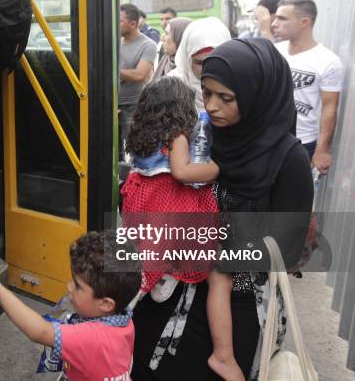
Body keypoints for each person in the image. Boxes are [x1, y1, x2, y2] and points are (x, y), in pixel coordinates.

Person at [131, 38, 313, 380]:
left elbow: (287, 252)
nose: (212, 107)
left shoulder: (290, 161)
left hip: (236, 302)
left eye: (226, 98)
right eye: (207, 92)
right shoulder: (207, 135)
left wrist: (220, 250)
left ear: (258, 96)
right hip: (173, 283)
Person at [0, 231, 142, 381]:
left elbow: (40, 331)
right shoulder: (126, 322)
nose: (69, 287)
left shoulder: (91, 339)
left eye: (77, 286)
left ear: (106, 304)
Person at [272, 0, 344, 174]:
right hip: (269, 138)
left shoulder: (328, 61)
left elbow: (329, 108)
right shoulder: (275, 51)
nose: (274, 23)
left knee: (295, 199)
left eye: (282, 18)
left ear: (304, 22)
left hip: (302, 143)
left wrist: (322, 150)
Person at [119, 3, 158, 161]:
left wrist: (113, 73)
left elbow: (139, 75)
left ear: (133, 24)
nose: (115, 25)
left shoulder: (148, 45)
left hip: (132, 105)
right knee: (112, 152)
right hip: (111, 104)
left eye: (120, 21)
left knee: (136, 149)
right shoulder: (114, 41)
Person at [168, 17, 231, 112]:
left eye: (214, 61)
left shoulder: (237, 85)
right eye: (199, 63)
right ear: (187, 61)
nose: (207, 69)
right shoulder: (172, 87)